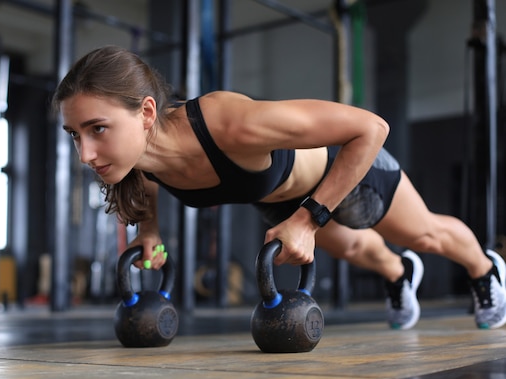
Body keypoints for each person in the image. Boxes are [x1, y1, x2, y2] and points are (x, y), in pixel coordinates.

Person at [52, 45, 506, 330]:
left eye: (97, 129)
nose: (85, 154)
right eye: (75, 134)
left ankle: (485, 271)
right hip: (282, 202)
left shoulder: (230, 124)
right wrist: (147, 233)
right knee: (356, 251)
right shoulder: (136, 155)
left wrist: (308, 220)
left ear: (146, 113)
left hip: (349, 172)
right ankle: (399, 275)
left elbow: (371, 128)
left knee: (423, 235)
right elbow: (146, 181)